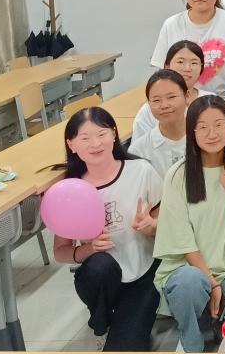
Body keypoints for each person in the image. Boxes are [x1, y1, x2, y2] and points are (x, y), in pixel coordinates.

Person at [153, 96, 225, 352]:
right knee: (189, 283)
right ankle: (191, 338)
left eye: (218, 124)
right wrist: (212, 281)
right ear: (192, 132)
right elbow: (183, 240)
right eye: (203, 127)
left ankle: (215, 324)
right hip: (189, 266)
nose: (212, 133)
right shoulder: (178, 175)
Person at [54, 107, 161, 352]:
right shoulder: (71, 190)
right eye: (85, 138)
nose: (95, 144)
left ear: (114, 134)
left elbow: (166, 223)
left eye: (102, 134)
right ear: (71, 144)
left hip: (143, 273)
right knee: (100, 265)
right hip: (100, 279)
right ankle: (102, 322)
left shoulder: (141, 170)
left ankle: (120, 322)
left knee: (126, 346)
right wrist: (90, 249)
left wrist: (151, 226)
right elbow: (60, 251)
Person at [132, 40, 208, 142]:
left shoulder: (211, 101)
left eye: (194, 63)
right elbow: (139, 148)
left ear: (201, 68)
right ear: (167, 66)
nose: (187, 68)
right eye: (180, 62)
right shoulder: (151, 109)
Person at [129, 70, 189, 178]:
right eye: (156, 100)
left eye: (171, 97)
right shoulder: (139, 151)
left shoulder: (205, 138)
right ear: (149, 103)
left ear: (187, 96)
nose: (164, 105)